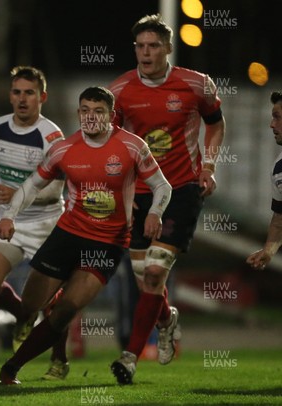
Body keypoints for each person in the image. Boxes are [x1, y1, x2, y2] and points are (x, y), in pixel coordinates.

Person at [0, 86, 172, 385]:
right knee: (29, 306)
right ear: (78, 113)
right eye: (85, 110)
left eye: (98, 111)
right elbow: (31, 186)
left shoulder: (132, 146)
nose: (90, 117)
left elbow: (162, 186)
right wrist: (9, 215)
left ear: (111, 115)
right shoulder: (64, 149)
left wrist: (155, 212)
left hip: (108, 243)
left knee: (65, 310)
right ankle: (45, 343)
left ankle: (11, 368)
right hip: (67, 235)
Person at [107, 14, 226, 384]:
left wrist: (208, 166)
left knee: (156, 272)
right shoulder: (120, 90)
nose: (145, 52)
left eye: (153, 45)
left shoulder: (196, 85)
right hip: (139, 194)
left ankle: (129, 357)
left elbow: (216, 123)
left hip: (181, 189)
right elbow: (112, 141)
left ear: (168, 48)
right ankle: (166, 318)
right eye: (140, 46)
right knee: (146, 281)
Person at [0, 65, 70, 380]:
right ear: (10, 95)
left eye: (29, 92)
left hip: (46, 223)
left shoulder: (52, 136)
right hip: (8, 220)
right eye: (17, 92)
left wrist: (18, 193)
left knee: (53, 303)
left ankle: (59, 360)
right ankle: (23, 317)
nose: (22, 98)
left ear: (41, 96)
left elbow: (57, 188)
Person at [247, 91, 282, 270]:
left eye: (277, 117)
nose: (271, 124)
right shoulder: (278, 169)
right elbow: (279, 218)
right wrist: (268, 251)